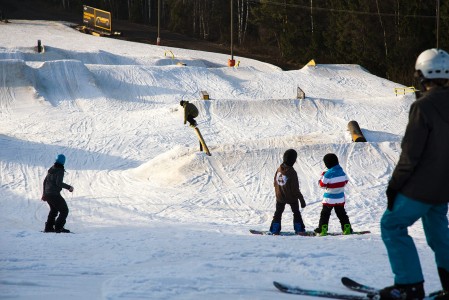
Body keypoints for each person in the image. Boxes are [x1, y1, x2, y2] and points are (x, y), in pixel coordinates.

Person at [379, 49, 449, 300]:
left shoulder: (423, 107)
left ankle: (409, 285)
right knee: (439, 234)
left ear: (423, 74)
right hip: (443, 189)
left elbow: (411, 155)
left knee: (392, 225)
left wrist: (394, 186)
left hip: (421, 187)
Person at [269, 149, 307, 235]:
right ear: (294, 160)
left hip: (280, 197)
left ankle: (274, 230)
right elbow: (295, 189)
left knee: (278, 213)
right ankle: (299, 229)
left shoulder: (279, 169)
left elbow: (275, 182)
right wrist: (301, 200)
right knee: (296, 212)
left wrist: (278, 193)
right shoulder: (292, 172)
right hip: (291, 197)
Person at [314, 153, 352, 236]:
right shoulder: (342, 171)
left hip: (329, 199)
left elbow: (321, 185)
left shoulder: (328, 174)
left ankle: (322, 229)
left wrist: (322, 176)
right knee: (342, 214)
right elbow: (345, 181)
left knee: (325, 214)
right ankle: (347, 228)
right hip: (340, 198)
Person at [41, 154, 74, 233]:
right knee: (64, 210)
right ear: (63, 161)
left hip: (48, 194)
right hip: (54, 194)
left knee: (54, 210)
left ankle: (49, 228)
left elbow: (45, 181)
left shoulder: (52, 168)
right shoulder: (60, 170)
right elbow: (58, 183)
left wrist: (44, 194)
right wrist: (69, 187)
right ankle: (58, 227)